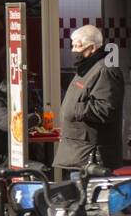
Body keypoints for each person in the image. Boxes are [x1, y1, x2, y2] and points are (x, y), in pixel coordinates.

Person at [53, 24, 124, 173]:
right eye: (72, 46)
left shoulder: (105, 70)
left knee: (88, 195)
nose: (73, 51)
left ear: (91, 48)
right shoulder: (86, 69)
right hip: (78, 152)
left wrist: (73, 109)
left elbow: (107, 109)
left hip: (92, 156)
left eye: (77, 47)